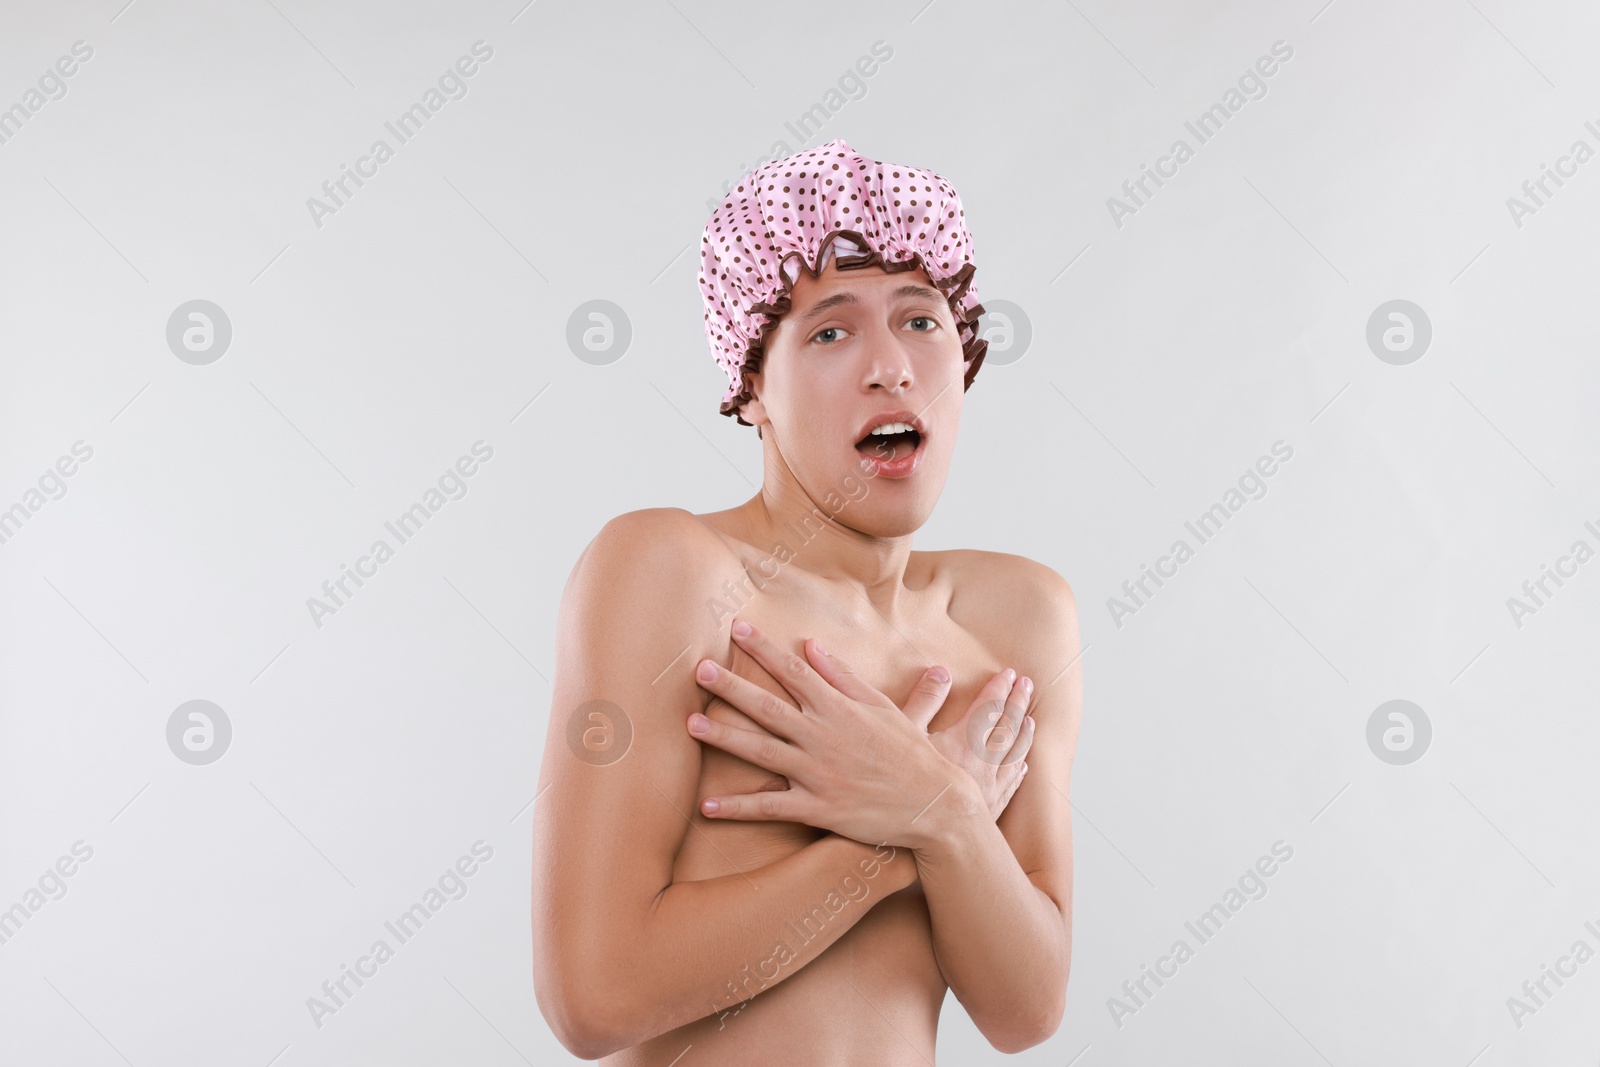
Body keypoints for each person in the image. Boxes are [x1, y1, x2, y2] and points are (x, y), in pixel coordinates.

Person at [532, 139, 1081, 1064]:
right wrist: (907, 830)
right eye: (830, 331)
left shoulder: (1018, 617)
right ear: (752, 386)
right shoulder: (670, 569)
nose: (891, 367)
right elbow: (594, 994)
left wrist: (942, 811)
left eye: (922, 320)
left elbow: (1024, 1010)